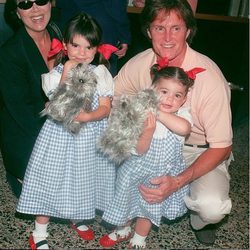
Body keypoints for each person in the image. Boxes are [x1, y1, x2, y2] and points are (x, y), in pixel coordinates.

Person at [113, 0, 233, 246]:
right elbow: (112, 98)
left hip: (198, 151)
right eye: (159, 28)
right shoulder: (140, 63)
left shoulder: (210, 78)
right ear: (148, 31)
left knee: (211, 207)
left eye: (176, 28)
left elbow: (222, 146)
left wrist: (178, 181)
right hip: (150, 143)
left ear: (188, 31)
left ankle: (198, 218)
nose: (167, 37)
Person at [16, 12, 116, 249]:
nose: (82, 53)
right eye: (76, 46)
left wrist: (88, 116)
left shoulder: (100, 73)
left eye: (88, 47)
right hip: (59, 136)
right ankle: (39, 231)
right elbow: (58, 102)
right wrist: (68, 71)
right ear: (65, 46)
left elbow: (105, 107)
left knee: (84, 177)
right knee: (52, 178)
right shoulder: (55, 74)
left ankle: (77, 216)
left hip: (89, 135)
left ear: (96, 49)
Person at [99, 65, 202, 249]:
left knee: (149, 206)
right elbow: (139, 150)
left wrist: (158, 113)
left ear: (184, 99)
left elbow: (184, 129)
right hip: (136, 167)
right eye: (164, 91)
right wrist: (148, 131)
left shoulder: (182, 115)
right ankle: (123, 229)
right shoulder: (140, 115)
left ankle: (139, 238)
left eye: (177, 95)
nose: (170, 99)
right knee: (126, 200)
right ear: (152, 90)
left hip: (161, 173)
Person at [0, 0, 62, 198]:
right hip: (27, 128)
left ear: (50, 4)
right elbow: (20, 110)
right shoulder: (10, 52)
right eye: (25, 4)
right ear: (17, 13)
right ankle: (17, 174)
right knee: (46, 199)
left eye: (41, 1)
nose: (35, 9)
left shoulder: (57, 34)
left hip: (59, 118)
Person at [55, 0, 131, 76]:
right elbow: (117, 7)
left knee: (64, 73)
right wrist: (124, 36)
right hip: (102, 30)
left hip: (70, 25)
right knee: (104, 75)